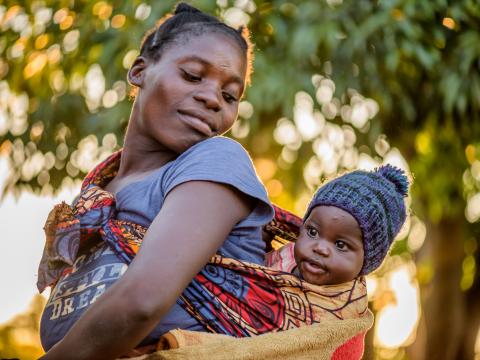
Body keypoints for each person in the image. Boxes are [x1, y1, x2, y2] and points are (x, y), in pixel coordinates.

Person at [37, 3, 274, 359]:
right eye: (193, 76)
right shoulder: (96, 198)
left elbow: (140, 303)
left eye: (229, 96)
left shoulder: (216, 162)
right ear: (139, 71)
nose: (212, 99)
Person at [265, 164, 409, 286]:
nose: (320, 248)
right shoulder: (285, 256)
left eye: (340, 245)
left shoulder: (346, 314)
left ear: (367, 262)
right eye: (313, 232)